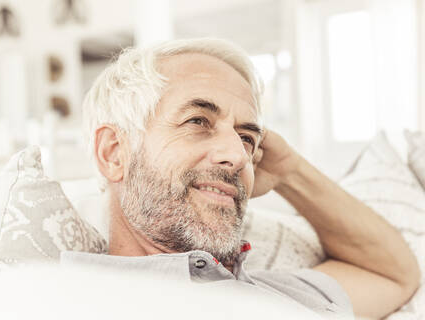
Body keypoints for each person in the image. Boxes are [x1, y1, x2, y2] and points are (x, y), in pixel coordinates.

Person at [65, 38, 420, 319]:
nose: (237, 156)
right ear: (114, 152)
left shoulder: (280, 295)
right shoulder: (63, 298)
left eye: (248, 139)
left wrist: (289, 171)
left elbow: (393, 274)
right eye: (198, 121)